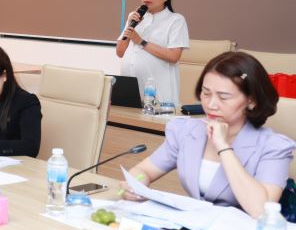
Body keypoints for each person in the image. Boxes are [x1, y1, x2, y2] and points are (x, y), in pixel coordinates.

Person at [121, 51, 295, 217]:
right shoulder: (186, 130)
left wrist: (223, 147)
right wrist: (137, 184)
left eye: (223, 97)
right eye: (206, 93)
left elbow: (262, 211)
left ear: (251, 100)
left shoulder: (274, 147)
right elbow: (144, 170)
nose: (211, 104)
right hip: (195, 228)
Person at [116, 0, 190, 106]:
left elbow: (174, 56)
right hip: (130, 91)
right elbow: (120, 52)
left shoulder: (176, 20)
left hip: (159, 95)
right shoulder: (134, 16)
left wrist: (141, 41)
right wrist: (130, 25)